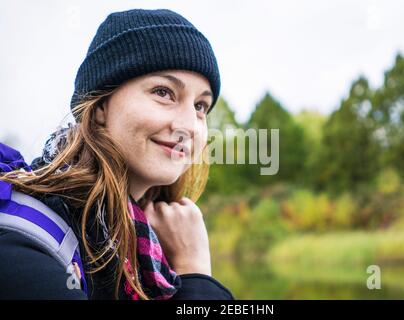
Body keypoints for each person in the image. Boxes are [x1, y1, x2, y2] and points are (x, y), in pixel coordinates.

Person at [0, 8, 234, 300]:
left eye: (200, 106)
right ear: (100, 108)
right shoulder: (26, 243)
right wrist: (196, 273)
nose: (188, 125)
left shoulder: (143, 253)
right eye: (163, 92)